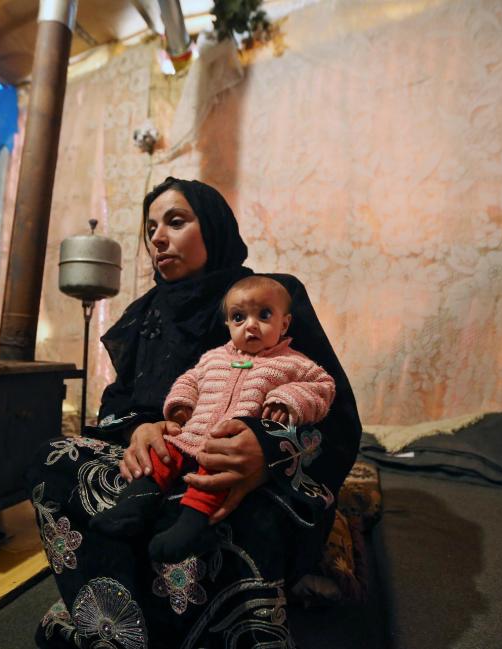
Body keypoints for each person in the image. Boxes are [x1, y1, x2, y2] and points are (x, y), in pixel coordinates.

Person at [25, 177, 362, 649]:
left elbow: (334, 410)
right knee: (53, 459)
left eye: (176, 221)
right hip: (160, 459)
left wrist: (266, 452)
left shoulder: (268, 297)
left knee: (243, 513)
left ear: (215, 228)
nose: (157, 239)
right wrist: (142, 428)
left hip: (238, 469)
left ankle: (157, 613)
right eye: (150, 228)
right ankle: (114, 619)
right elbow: (117, 407)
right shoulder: (146, 314)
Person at [90, 275, 336, 564]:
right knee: (162, 454)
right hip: (190, 434)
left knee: (217, 473)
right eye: (239, 317)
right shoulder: (213, 358)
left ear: (284, 324)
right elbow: (190, 379)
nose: (251, 325)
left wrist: (290, 399)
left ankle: (192, 524)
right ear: (228, 324)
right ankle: (133, 504)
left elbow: (323, 387)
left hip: (228, 444)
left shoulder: (293, 363)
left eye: (264, 315)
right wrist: (181, 403)